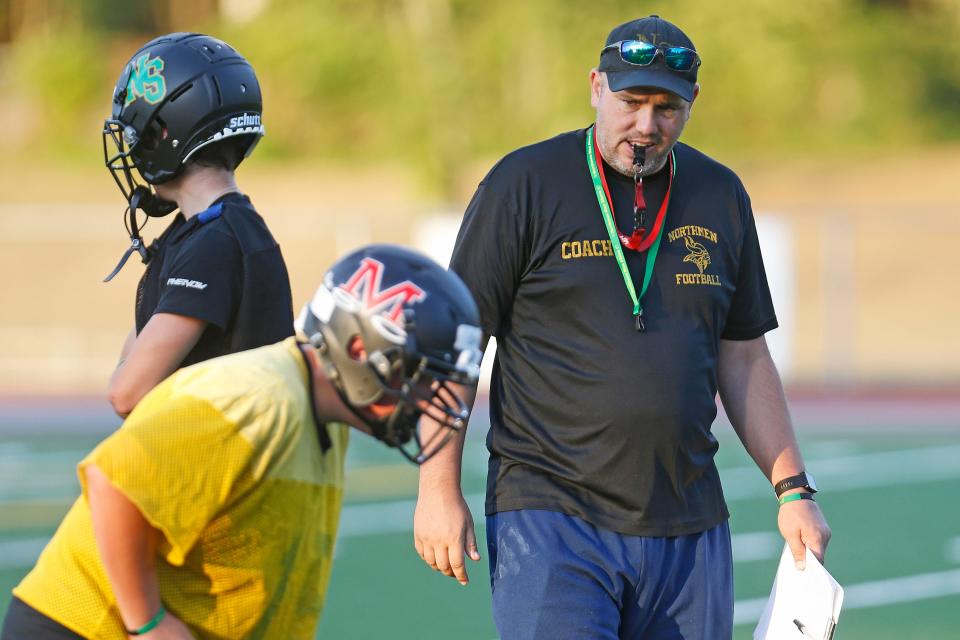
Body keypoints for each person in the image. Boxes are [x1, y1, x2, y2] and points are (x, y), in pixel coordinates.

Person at [413, 14, 832, 639]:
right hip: (552, 517)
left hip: (689, 523)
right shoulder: (523, 184)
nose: (646, 124)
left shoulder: (719, 194)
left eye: (668, 107)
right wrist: (436, 488)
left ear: (692, 106)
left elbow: (743, 356)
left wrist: (793, 489)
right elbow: (455, 347)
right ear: (596, 88)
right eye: (631, 101)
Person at [1, 245, 484, 640]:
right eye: (419, 377)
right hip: (82, 627)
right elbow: (115, 484)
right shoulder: (258, 396)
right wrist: (147, 623)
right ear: (359, 350)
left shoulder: (324, 415)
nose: (426, 400)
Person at [101, 32, 293, 417]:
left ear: (164, 133)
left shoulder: (214, 243)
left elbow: (126, 392)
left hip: (222, 469)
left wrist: (129, 370)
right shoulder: (202, 230)